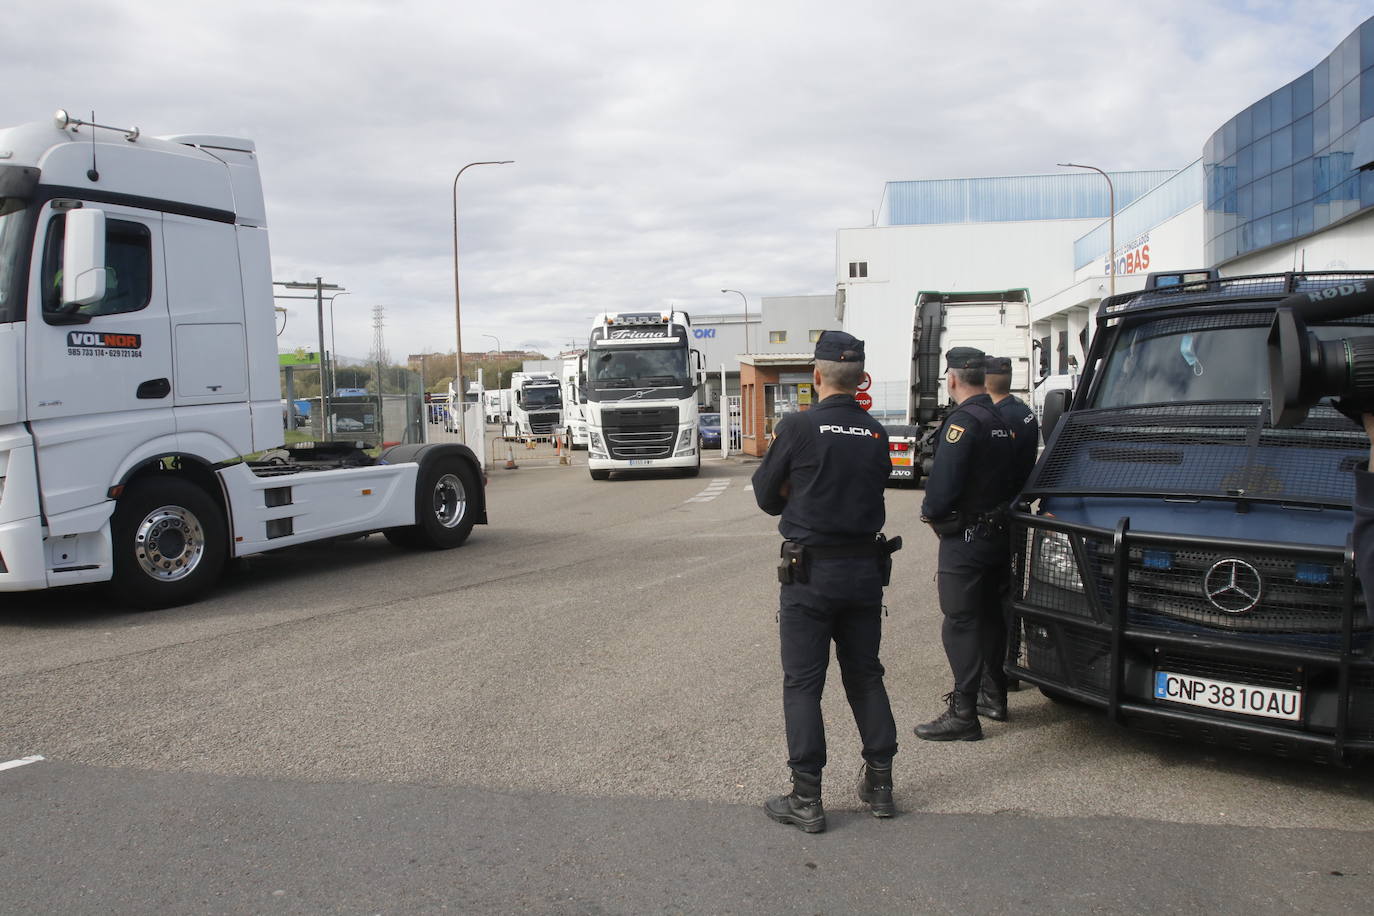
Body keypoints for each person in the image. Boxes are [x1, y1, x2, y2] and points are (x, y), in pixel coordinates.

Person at [752, 330, 901, 832]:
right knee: (865, 675)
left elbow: (766, 495)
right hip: (863, 573)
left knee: (803, 684)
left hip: (810, 573)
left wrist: (797, 492)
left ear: (816, 376)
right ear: (861, 380)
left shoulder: (797, 427)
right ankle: (880, 785)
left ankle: (807, 798)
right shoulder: (877, 432)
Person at [915, 347, 1018, 741]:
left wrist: (932, 514)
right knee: (991, 617)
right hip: (999, 534)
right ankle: (995, 696)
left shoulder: (962, 422)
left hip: (967, 538)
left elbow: (942, 488)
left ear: (952, 379)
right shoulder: (1001, 417)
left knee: (960, 621)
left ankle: (964, 713)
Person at [984, 355, 1040, 703]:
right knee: (1011, 590)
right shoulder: (1025, 412)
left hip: (997, 514)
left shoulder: (995, 417)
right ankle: (1011, 665)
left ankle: (999, 672)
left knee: (992, 598)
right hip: (1018, 509)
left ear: (987, 379)